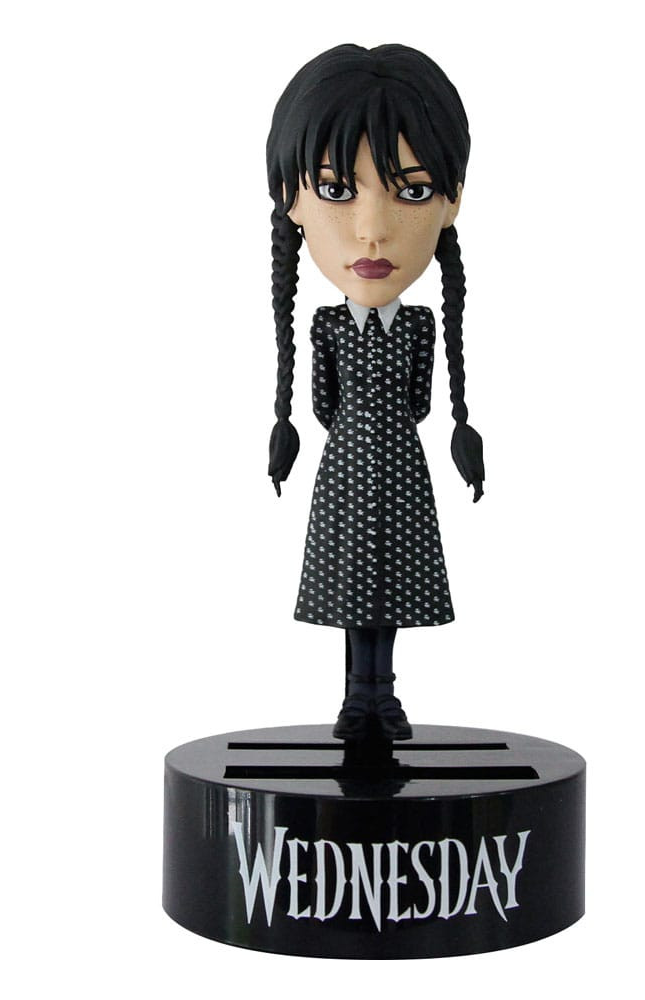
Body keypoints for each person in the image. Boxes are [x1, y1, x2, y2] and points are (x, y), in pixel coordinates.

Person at [265, 43, 485, 742]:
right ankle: (358, 697)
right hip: (351, 465)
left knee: (394, 583)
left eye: (411, 191)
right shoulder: (329, 325)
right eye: (337, 190)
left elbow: (420, 400)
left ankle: (381, 694)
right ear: (291, 197)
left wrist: (372, 423)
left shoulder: (418, 325)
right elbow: (323, 402)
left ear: (451, 201)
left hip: (396, 464)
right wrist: (365, 426)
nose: (372, 229)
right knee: (350, 583)